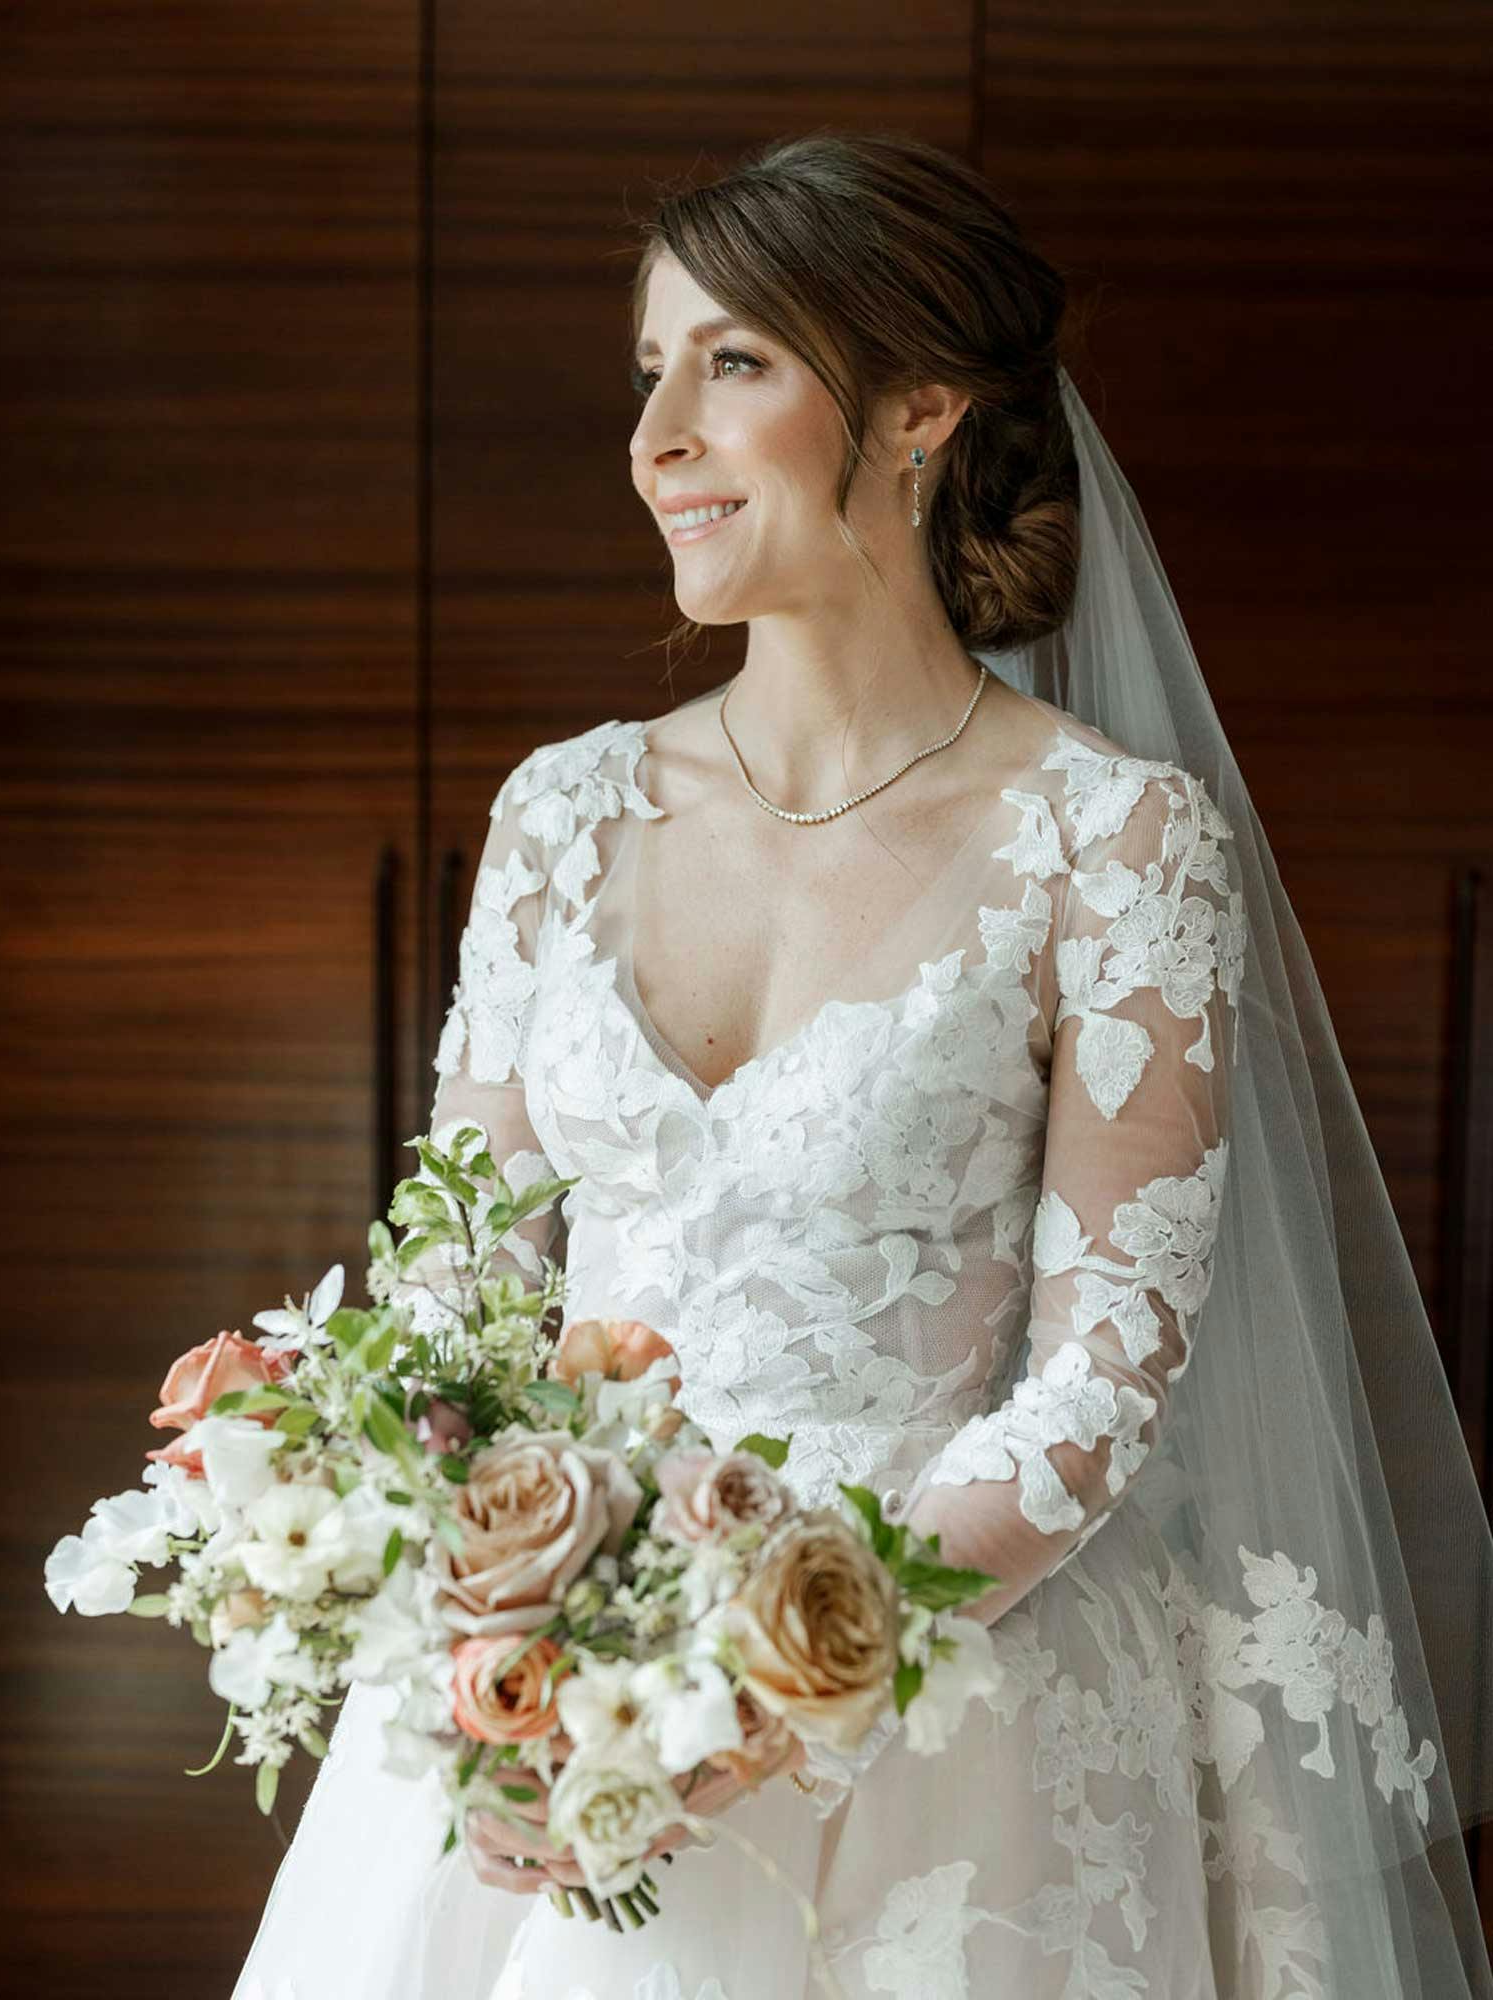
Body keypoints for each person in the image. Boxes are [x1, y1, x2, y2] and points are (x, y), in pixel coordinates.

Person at [232, 131, 1493, 1999]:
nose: (657, 433)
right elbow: (460, 1298)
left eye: (731, 363)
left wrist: (767, 1681)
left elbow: (1102, 1388)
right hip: (564, 1692)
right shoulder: (560, 813)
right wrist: (524, 1655)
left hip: (950, 1712)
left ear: (917, 412)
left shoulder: (1117, 843)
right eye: (647, 371)